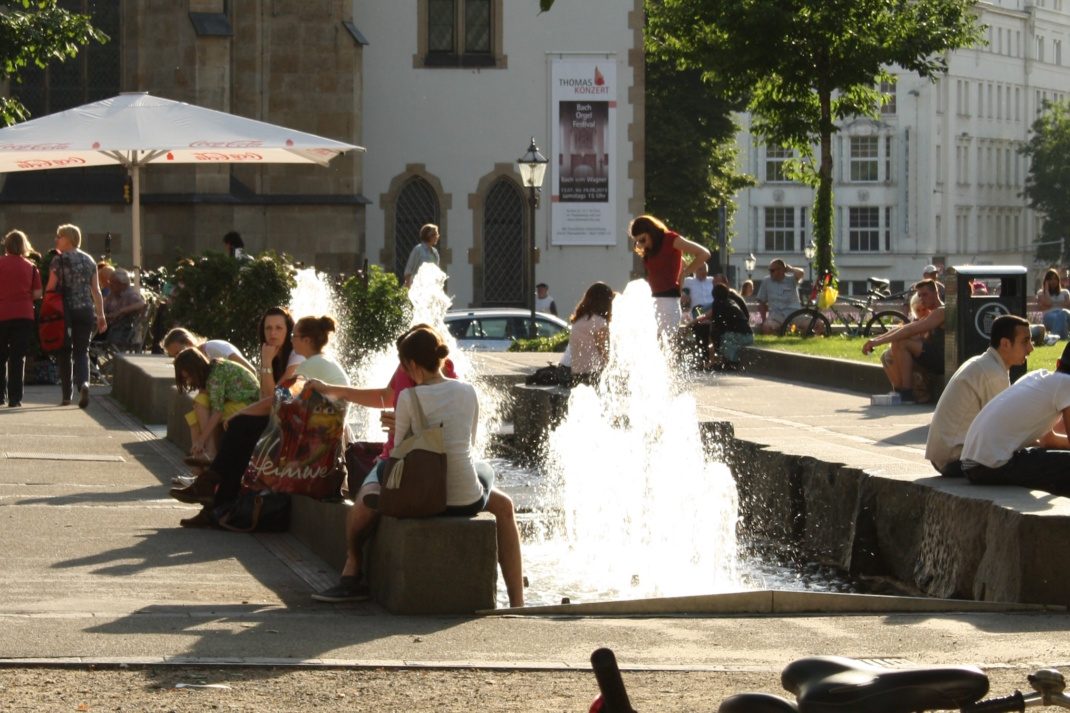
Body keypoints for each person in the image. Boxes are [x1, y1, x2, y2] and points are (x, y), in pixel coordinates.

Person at [311, 326, 525, 607]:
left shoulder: (415, 390)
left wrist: (400, 425)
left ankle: (517, 600)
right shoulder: (466, 389)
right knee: (485, 475)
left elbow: (402, 453)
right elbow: (467, 441)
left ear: (411, 362)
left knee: (501, 503)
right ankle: (352, 567)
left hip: (413, 473)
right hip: (457, 490)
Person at [170, 314, 349, 527]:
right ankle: (213, 500)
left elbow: (276, 399)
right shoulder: (317, 362)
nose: (291, 340)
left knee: (241, 429)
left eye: (294, 336)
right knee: (244, 437)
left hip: (317, 441)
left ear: (307, 341)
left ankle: (211, 492)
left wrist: (240, 414)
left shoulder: (312, 365)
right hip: (316, 435)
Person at [925, 315, 1033, 477]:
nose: (1030, 348)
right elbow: (1002, 430)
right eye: (1025, 341)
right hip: (954, 459)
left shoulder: (986, 363)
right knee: (1037, 461)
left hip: (947, 455)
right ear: (1005, 343)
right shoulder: (992, 373)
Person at [959, 341, 1070, 497]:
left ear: (1058, 362)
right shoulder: (1066, 385)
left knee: (1051, 461)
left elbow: (1048, 440)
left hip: (972, 464)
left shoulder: (1038, 376)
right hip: (990, 467)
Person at [46, 224, 107, 409]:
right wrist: (101, 314)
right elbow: (96, 290)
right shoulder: (89, 260)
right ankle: (84, 383)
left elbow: (51, 287)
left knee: (64, 350)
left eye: (60, 236)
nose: (56, 239)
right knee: (82, 350)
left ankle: (66, 395)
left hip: (64, 312)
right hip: (86, 310)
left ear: (69, 238)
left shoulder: (59, 260)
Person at [862, 279, 945, 403]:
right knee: (897, 343)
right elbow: (906, 328)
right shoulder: (931, 313)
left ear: (936, 293)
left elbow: (910, 331)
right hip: (933, 354)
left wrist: (877, 342)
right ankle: (900, 390)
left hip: (943, 358)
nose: (921, 298)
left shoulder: (941, 311)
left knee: (902, 343)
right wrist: (875, 340)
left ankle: (907, 392)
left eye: (925, 294)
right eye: (919, 295)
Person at [173, 347, 260, 463]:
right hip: (235, 400)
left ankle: (210, 453)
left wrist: (201, 440)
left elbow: (218, 412)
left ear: (196, 370)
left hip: (249, 403)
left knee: (203, 417)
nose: (188, 382)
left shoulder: (214, 378)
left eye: (188, 377)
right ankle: (198, 466)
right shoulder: (213, 369)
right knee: (196, 409)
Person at [629, 214, 711, 336]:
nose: (642, 245)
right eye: (638, 243)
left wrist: (684, 274)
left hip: (669, 300)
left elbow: (704, 253)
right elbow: (678, 261)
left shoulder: (670, 239)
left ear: (651, 232)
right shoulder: (652, 248)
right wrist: (680, 268)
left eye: (642, 240)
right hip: (652, 300)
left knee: (668, 345)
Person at [0, 230, 43, 408]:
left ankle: (0, 395)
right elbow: (38, 293)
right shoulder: (31, 267)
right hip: (24, 315)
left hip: (2, 313)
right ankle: (15, 397)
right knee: (18, 356)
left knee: (0, 356)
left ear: (7, 245)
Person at [693, 283, 754, 370]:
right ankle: (723, 361)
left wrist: (712, 359)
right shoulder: (729, 302)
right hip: (749, 335)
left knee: (725, 337)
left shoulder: (719, 304)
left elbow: (711, 326)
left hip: (743, 336)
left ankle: (731, 362)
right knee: (723, 336)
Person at [567, 282, 613, 385]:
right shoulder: (599, 322)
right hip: (594, 376)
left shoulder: (580, 320)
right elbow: (606, 353)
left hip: (577, 376)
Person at [161, 327, 257, 375]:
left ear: (190, 343)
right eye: (174, 356)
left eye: (179, 353)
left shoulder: (213, 348)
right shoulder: (197, 363)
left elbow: (251, 371)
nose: (178, 359)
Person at [257, 307, 304, 399]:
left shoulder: (298, 354)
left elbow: (273, 399)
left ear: (289, 331)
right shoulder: (269, 354)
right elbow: (262, 398)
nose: (272, 333)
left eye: (279, 328)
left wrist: (266, 363)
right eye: (268, 328)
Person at [755, 258, 804, 335]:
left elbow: (801, 273)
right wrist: (764, 320)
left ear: (781, 270)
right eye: (769, 270)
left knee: (818, 324)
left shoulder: (791, 280)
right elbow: (762, 302)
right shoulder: (766, 281)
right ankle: (781, 340)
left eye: (772, 270)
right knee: (767, 327)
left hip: (794, 314)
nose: (770, 273)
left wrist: (790, 269)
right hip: (776, 315)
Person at [101, 268, 146, 345]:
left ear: (123, 284)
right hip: (107, 327)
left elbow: (141, 304)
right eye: (110, 282)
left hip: (118, 330)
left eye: (113, 282)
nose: (110, 285)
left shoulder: (129, 294)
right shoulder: (112, 294)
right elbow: (104, 308)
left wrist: (121, 311)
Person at [403, 223, 441, 288]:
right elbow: (409, 269)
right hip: (417, 286)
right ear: (431, 236)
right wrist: (408, 286)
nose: (438, 236)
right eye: (436, 234)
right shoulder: (418, 249)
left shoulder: (435, 252)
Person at [1037, 268, 1070, 340]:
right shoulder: (1041, 293)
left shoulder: (1065, 292)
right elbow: (1048, 303)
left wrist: (1054, 305)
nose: (1053, 281)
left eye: (1055, 278)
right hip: (1049, 316)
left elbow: (1068, 305)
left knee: (1063, 313)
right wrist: (1046, 289)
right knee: (1062, 321)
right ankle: (1065, 339)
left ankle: (1052, 337)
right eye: (1050, 279)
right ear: (1046, 281)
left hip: (1066, 315)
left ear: (1058, 280)